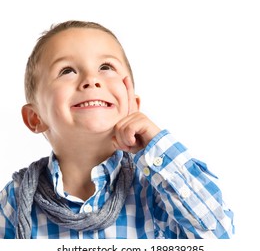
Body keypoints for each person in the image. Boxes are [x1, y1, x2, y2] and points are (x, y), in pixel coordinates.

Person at [0, 20, 234, 239]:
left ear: (132, 104)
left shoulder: (157, 189)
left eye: (105, 67)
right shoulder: (16, 200)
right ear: (35, 118)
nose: (92, 79)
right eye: (67, 71)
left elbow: (220, 238)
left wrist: (156, 146)